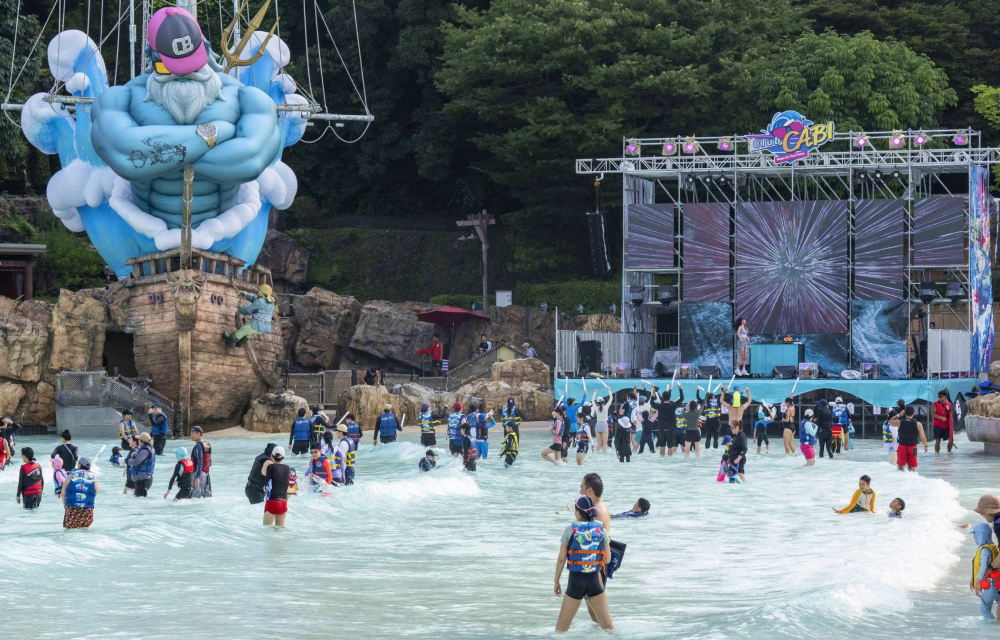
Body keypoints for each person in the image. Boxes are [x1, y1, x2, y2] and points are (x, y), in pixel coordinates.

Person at [553, 495, 614, 632]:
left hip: (576, 582)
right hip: (595, 581)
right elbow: (607, 560)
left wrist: (556, 581)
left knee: (561, 629)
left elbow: (562, 559)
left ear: (578, 512)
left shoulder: (570, 530)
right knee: (608, 628)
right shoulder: (602, 531)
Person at [62, 457, 99, 528]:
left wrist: (64, 504)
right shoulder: (93, 477)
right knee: (84, 530)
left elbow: (63, 492)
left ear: (79, 465)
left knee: (70, 530)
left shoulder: (71, 476)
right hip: (87, 509)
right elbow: (97, 490)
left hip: (72, 508)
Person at [890, 406, 929, 472]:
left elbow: (890, 421)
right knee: (912, 467)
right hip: (912, 447)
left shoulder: (900, 422)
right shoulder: (918, 424)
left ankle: (900, 480)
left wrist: (899, 415)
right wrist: (925, 446)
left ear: (905, 413)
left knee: (900, 466)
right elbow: (922, 437)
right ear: (913, 414)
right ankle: (911, 480)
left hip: (902, 446)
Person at [261, 446, 290, 527]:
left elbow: (267, 486)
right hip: (283, 502)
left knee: (266, 529)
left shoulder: (270, 467)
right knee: (280, 530)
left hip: (272, 502)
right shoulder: (287, 468)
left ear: (271, 456)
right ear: (283, 457)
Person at [127, 432, 156, 497]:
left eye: (139, 439)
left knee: (139, 500)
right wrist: (135, 456)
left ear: (141, 441)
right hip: (144, 479)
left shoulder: (145, 450)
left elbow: (135, 462)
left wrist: (129, 460)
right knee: (139, 499)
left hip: (142, 480)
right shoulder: (149, 448)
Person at [190, 425, 212, 498]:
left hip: (198, 473)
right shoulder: (207, 444)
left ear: (198, 434)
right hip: (206, 474)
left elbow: (200, 462)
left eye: (192, 433)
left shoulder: (198, 446)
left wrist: (197, 477)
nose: (191, 435)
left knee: (194, 497)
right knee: (205, 496)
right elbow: (210, 462)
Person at [591, 381, 612, 453]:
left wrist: (594, 392)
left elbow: (592, 400)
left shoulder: (596, 408)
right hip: (604, 424)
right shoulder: (606, 407)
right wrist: (609, 390)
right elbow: (611, 398)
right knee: (605, 445)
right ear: (603, 401)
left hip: (597, 425)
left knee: (599, 445)